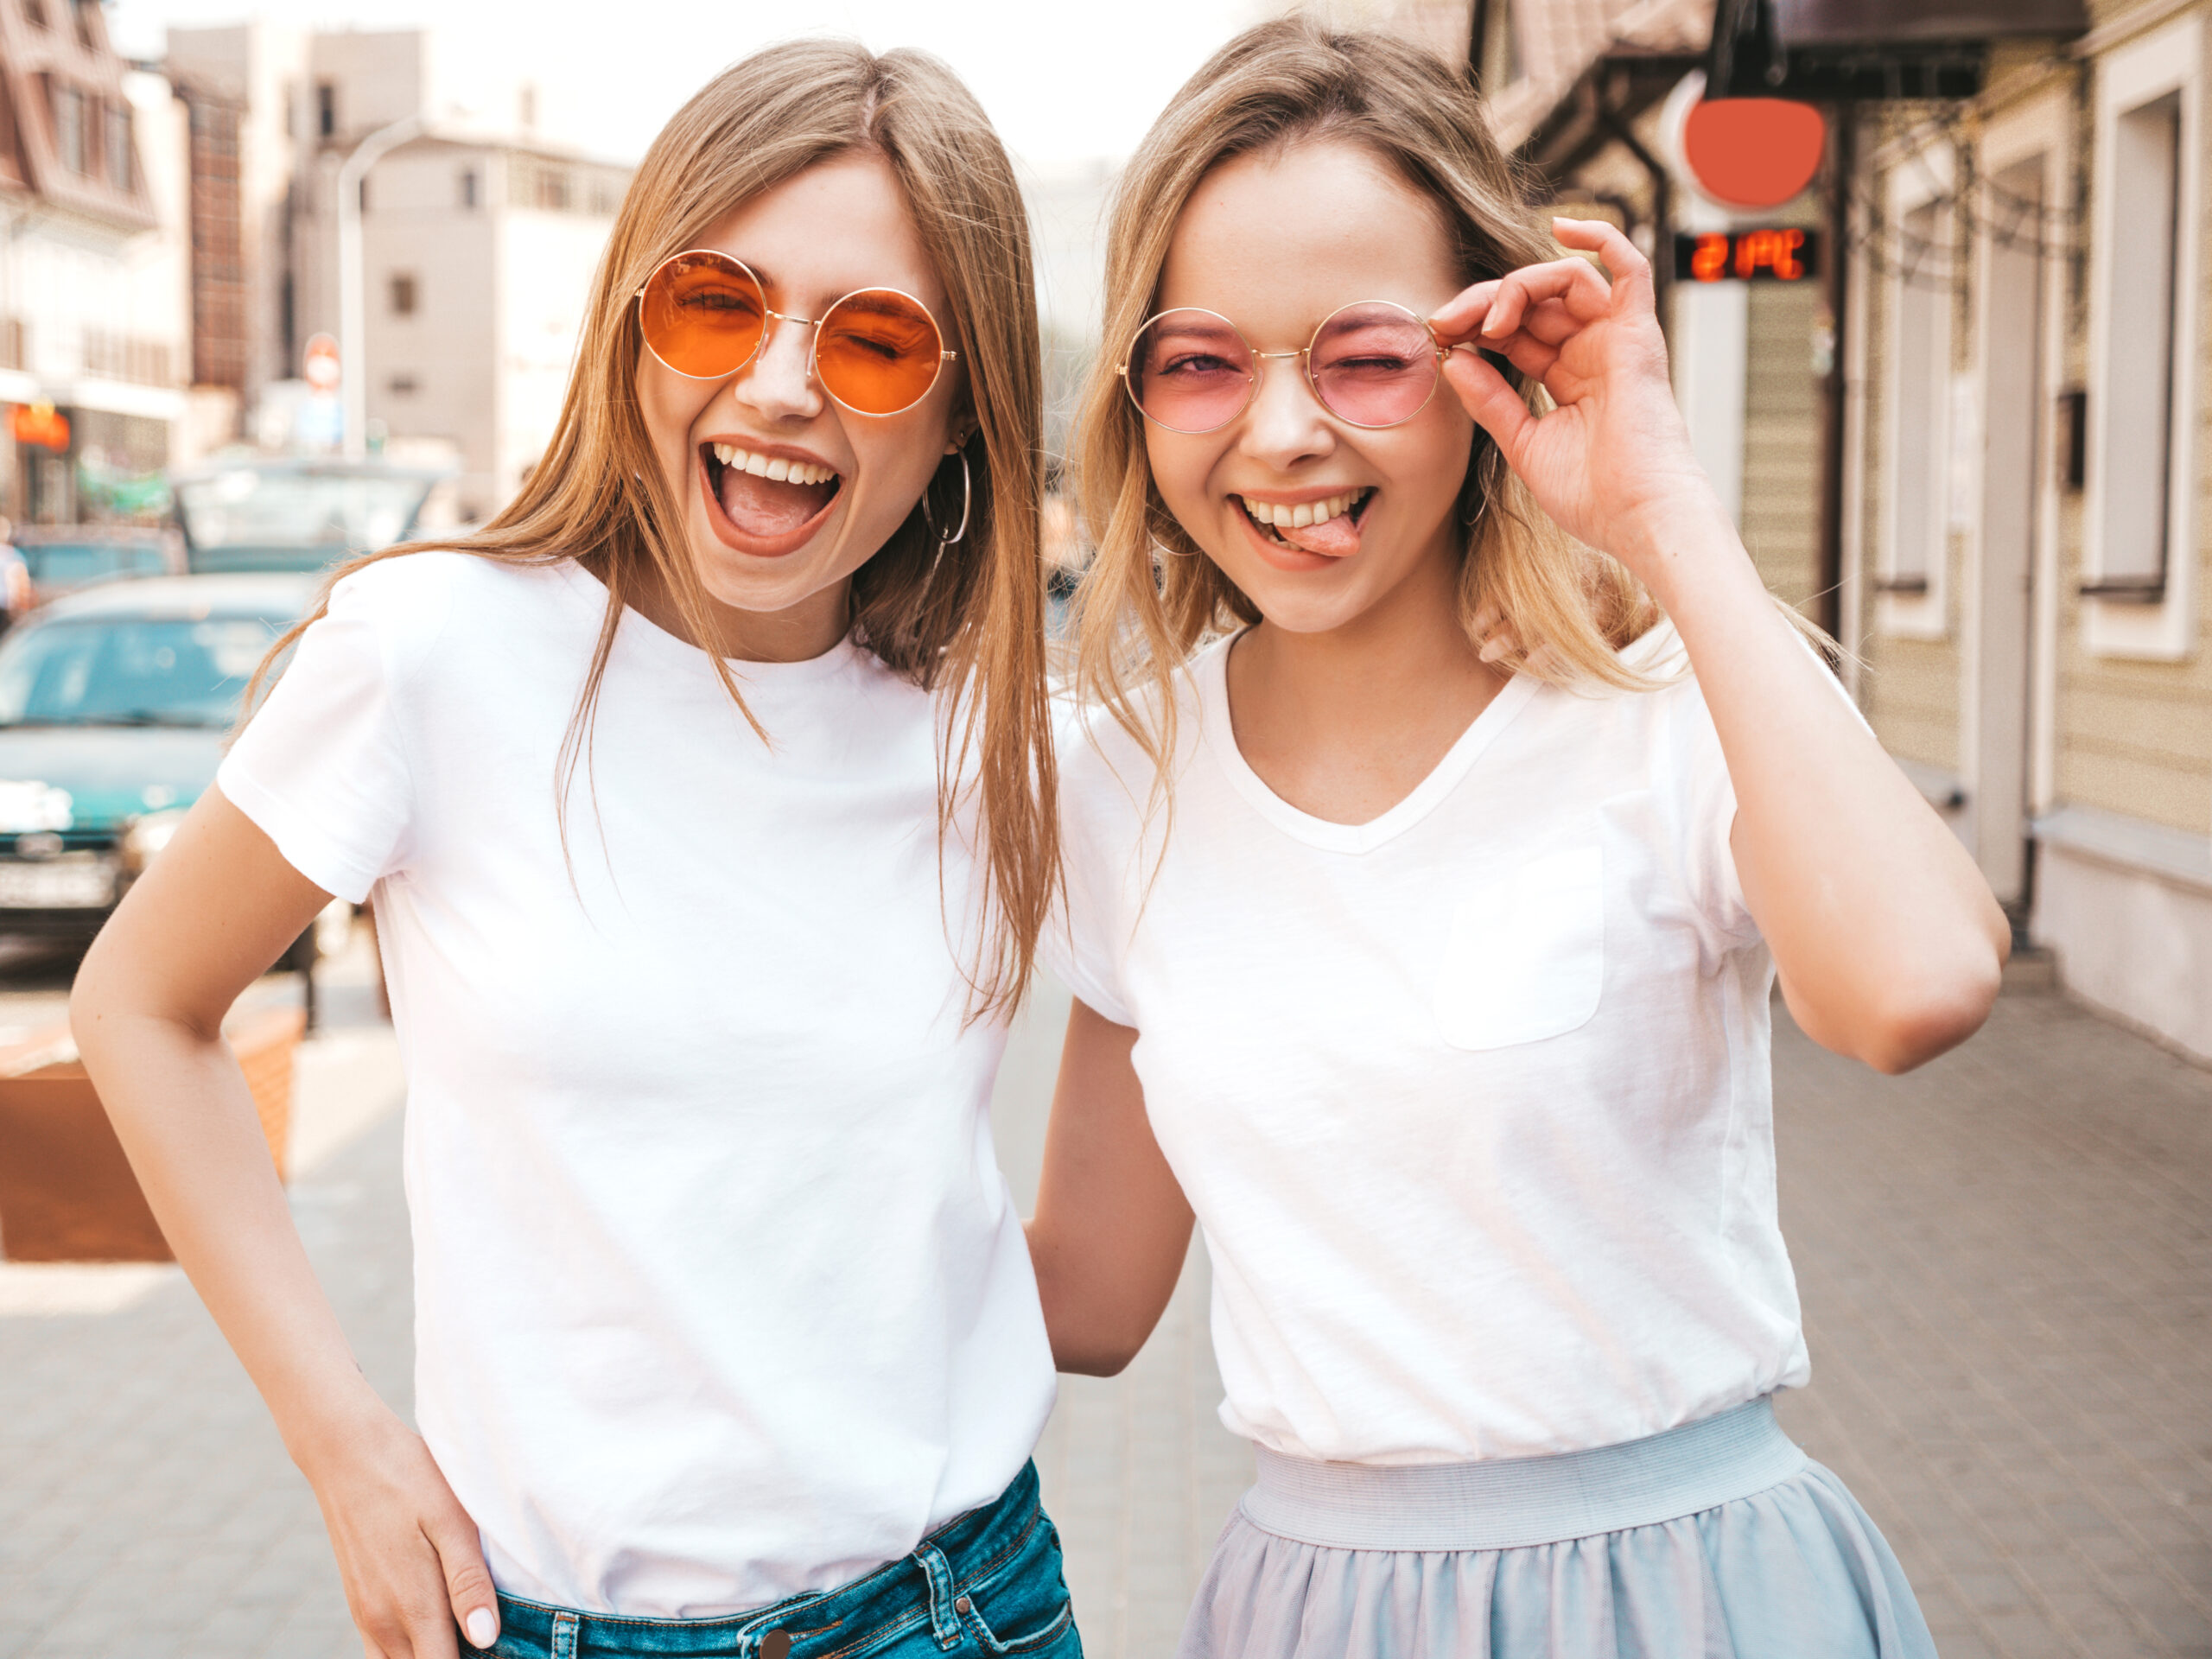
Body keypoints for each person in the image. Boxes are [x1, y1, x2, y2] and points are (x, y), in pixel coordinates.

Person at [73, 41, 1077, 1659]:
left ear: (967, 415)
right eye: (717, 302)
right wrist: (338, 1441)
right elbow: (140, 1003)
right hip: (539, 1628)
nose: (779, 385)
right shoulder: (432, 651)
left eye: (879, 340)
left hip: (952, 1612)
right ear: (633, 329)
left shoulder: (996, 742)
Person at [1027, 20, 2006, 1658]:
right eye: (1203, 359)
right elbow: (1090, 1300)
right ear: (1134, 399)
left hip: (1687, 1599)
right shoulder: (1125, 779)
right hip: (1313, 1607)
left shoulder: (1659, 714)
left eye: (1364, 356)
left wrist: (1663, 508)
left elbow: (1913, 989)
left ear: (1486, 366)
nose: (1280, 435)